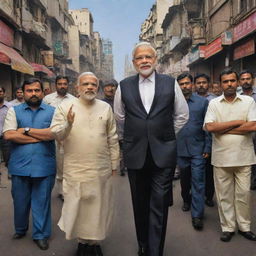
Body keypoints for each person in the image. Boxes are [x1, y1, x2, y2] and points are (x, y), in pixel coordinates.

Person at [114, 42, 189, 256]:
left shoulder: (170, 83)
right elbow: (120, 117)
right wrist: (138, 135)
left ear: (155, 60)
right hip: (135, 153)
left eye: (148, 57)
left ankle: (155, 250)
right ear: (134, 62)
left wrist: (163, 135)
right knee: (139, 202)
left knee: (159, 204)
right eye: (140, 58)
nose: (144, 61)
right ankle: (143, 243)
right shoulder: (124, 85)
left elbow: (182, 115)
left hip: (163, 154)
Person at [51, 72, 119, 256]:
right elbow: (57, 134)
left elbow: (112, 137)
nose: (90, 87)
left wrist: (114, 164)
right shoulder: (65, 107)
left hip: (100, 168)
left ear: (97, 88)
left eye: (93, 84)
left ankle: (95, 243)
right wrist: (68, 123)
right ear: (77, 88)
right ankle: (82, 242)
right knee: (77, 207)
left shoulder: (105, 108)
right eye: (85, 84)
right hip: (75, 167)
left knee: (98, 207)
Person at [3, 78, 56, 250]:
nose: (33, 94)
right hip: (19, 165)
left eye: (36, 90)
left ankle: (40, 235)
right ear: (24, 92)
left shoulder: (53, 111)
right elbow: (9, 135)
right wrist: (40, 137)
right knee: (20, 202)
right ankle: (20, 229)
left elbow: (53, 134)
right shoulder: (14, 111)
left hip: (44, 165)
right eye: (29, 91)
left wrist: (25, 131)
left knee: (42, 202)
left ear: (42, 92)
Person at [204, 69, 256, 242]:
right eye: (225, 81)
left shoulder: (248, 101)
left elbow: (252, 126)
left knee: (243, 195)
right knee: (224, 196)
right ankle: (228, 227)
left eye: (233, 81)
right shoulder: (214, 104)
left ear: (238, 82)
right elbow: (210, 128)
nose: (230, 84)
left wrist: (223, 128)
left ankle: (245, 227)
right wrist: (238, 122)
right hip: (221, 158)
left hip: (244, 157)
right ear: (220, 84)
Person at [177, 73, 210, 230]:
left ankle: (197, 215)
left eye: (187, 83)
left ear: (192, 84)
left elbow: (207, 126)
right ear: (178, 86)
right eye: (181, 84)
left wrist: (207, 147)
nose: (185, 86)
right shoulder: (173, 104)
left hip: (198, 149)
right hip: (180, 149)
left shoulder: (203, 103)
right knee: (184, 179)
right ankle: (185, 199)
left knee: (198, 181)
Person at [44, 75, 76, 200]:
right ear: (55, 85)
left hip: (67, 135)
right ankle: (58, 187)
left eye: (65, 84)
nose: (62, 86)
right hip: (51, 135)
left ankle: (65, 191)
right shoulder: (47, 99)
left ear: (68, 85)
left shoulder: (74, 100)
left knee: (66, 162)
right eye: (60, 84)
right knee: (57, 163)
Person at [194, 73, 215, 207]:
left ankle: (209, 196)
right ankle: (196, 197)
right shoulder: (191, 100)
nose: (201, 85)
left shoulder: (215, 100)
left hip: (214, 141)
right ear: (194, 85)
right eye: (198, 82)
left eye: (204, 82)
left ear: (209, 84)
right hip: (197, 142)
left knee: (210, 172)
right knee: (196, 173)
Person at [239, 70, 256, 190]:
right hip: (242, 131)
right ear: (240, 82)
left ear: (253, 80)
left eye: (248, 78)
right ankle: (248, 181)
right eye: (243, 79)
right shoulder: (237, 96)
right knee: (246, 156)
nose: (246, 81)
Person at [0, 87, 12, 168]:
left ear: (4, 93)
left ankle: (10, 172)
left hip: (6, 137)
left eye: (0, 91)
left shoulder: (10, 106)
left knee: (8, 157)